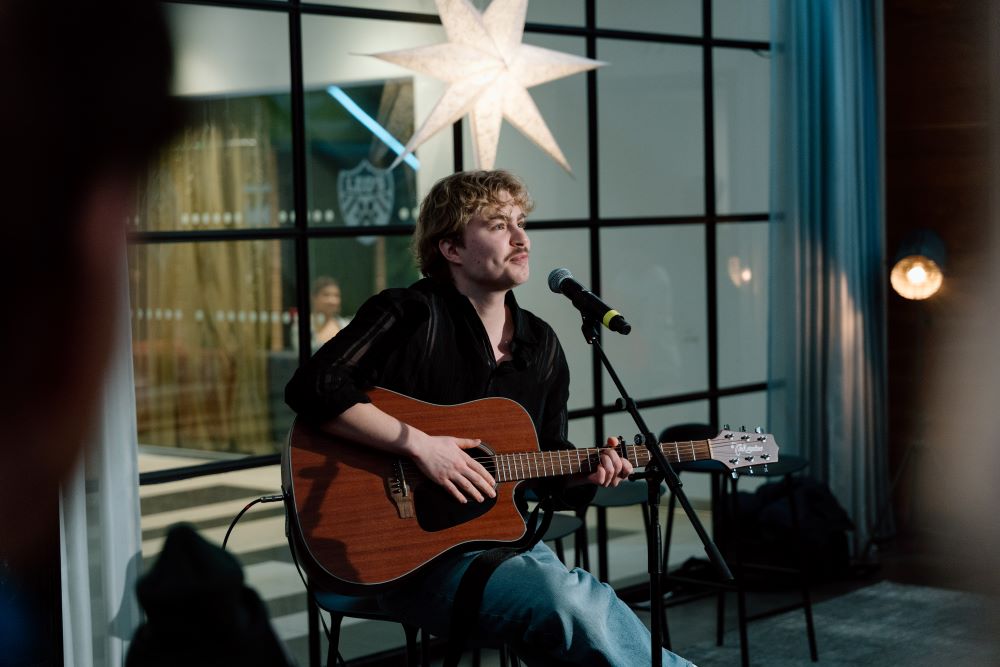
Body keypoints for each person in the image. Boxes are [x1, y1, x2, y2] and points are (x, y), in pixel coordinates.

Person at [285, 170, 693, 665]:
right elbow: (314, 386)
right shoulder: (409, 313)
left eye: (521, 222)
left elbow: (545, 461)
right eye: (499, 225)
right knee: (567, 602)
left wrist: (587, 470)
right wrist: (420, 446)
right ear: (451, 248)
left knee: (579, 604)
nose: (521, 238)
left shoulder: (540, 345)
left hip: (502, 544)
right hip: (402, 556)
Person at [310, 276, 350, 347]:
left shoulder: (345, 324)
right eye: (326, 295)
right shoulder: (303, 324)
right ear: (314, 298)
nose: (332, 301)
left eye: (336, 296)